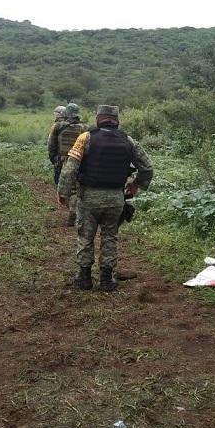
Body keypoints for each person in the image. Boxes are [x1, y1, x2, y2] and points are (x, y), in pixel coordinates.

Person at [57, 105, 153, 291]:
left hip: (88, 199)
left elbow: (70, 169)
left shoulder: (85, 138)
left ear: (98, 119)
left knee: (85, 237)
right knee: (110, 237)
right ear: (116, 120)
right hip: (116, 199)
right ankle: (107, 280)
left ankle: (84, 278)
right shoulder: (129, 141)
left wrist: (63, 193)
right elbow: (147, 168)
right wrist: (135, 183)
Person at [48, 103, 89, 225]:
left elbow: (51, 145)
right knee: (78, 186)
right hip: (80, 160)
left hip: (62, 160)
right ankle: (77, 210)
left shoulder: (57, 126)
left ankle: (72, 211)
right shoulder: (85, 128)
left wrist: (54, 159)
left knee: (65, 186)